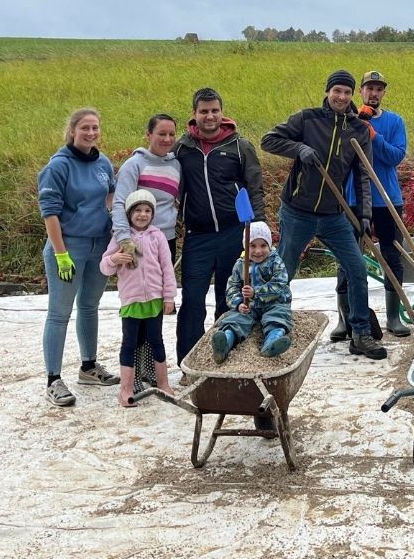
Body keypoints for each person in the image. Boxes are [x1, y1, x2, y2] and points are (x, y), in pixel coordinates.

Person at [261, 69, 386, 360]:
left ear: (352, 95)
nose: (341, 97)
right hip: (297, 211)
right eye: (337, 91)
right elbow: (269, 140)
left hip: (333, 215)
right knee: (284, 271)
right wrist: (299, 148)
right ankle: (272, 326)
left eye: (346, 92)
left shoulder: (358, 129)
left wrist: (365, 215)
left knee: (356, 269)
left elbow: (364, 175)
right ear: (328, 92)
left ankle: (360, 333)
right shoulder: (307, 119)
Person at [175, 88, 265, 370]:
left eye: (214, 110)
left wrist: (258, 228)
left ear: (222, 112)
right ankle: (189, 364)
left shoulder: (240, 146)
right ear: (194, 114)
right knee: (191, 301)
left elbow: (255, 187)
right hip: (197, 236)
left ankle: (227, 360)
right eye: (204, 111)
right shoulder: (182, 149)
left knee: (230, 298)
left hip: (233, 233)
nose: (210, 116)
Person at [38, 108, 120, 407]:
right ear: (72, 130)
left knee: (89, 306)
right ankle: (53, 379)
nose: (91, 133)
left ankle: (88, 366)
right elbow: (50, 213)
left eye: (95, 127)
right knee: (59, 313)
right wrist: (60, 254)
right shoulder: (59, 166)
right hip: (69, 246)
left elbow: (110, 196)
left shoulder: (102, 162)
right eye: (85, 128)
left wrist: (114, 225)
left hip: (99, 244)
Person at [333, 70, 411, 339]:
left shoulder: (395, 121)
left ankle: (393, 317)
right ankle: (344, 320)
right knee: (347, 257)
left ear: (383, 93)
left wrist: (372, 135)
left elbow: (395, 158)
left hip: (387, 199)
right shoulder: (348, 121)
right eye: (369, 88)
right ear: (361, 92)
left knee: (392, 256)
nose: (374, 93)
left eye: (379, 89)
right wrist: (357, 126)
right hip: (353, 199)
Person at [110, 113, 182, 393]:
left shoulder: (176, 164)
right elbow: (119, 204)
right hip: (135, 243)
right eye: (160, 134)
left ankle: (153, 370)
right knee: (136, 310)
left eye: (171, 134)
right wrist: (125, 242)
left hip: (164, 240)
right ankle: (136, 373)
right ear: (148, 135)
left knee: (154, 309)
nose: (166, 139)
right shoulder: (134, 164)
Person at [100, 190, 176, 406]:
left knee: (156, 341)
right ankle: (126, 388)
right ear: (129, 213)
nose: (142, 215)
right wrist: (114, 259)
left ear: (152, 214)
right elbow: (104, 266)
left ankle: (163, 383)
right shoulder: (121, 238)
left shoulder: (157, 236)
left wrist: (168, 296)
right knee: (129, 344)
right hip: (132, 301)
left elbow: (167, 268)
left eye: (147, 210)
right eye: (137, 210)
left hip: (154, 301)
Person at [211, 221, 293, 363]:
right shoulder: (240, 264)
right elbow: (232, 287)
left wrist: (256, 292)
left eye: (263, 245)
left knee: (277, 317)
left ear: (270, 245)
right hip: (250, 305)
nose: (258, 251)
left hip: (274, 303)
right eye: (252, 246)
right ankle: (225, 342)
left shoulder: (275, 262)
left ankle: (272, 342)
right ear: (245, 246)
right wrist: (238, 304)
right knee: (235, 319)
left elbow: (280, 284)